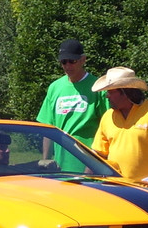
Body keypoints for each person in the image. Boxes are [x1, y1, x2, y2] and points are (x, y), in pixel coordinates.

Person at [90, 67, 148, 185]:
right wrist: (87, 182)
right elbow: (97, 153)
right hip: (115, 187)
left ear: (126, 92)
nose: (107, 96)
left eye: (111, 92)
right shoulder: (107, 116)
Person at [36, 39, 108, 172]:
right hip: (60, 164)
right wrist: (45, 159)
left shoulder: (98, 87)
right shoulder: (55, 87)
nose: (67, 66)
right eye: (64, 62)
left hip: (89, 162)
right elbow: (47, 127)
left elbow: (108, 126)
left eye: (72, 61)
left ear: (83, 60)